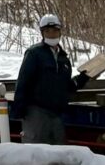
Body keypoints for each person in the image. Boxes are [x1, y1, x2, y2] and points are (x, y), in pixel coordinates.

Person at [11, 14, 93, 144]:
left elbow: (66, 86)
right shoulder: (35, 53)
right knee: (36, 151)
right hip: (36, 111)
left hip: (56, 113)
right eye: (48, 31)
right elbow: (23, 82)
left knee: (57, 152)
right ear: (42, 33)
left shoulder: (63, 58)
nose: (52, 34)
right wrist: (19, 109)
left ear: (60, 32)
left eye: (55, 31)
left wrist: (83, 77)